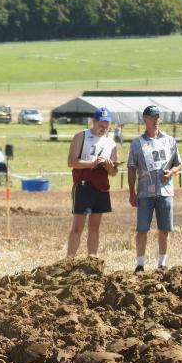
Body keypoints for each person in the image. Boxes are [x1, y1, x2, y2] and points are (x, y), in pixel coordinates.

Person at [128, 105, 181, 273]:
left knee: (164, 229)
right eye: (152, 117)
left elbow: (178, 163)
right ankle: (140, 264)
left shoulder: (170, 140)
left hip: (165, 191)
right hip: (144, 192)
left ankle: (162, 263)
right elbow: (131, 168)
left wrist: (171, 172)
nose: (156, 120)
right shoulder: (137, 143)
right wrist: (131, 192)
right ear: (145, 119)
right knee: (142, 229)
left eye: (158, 117)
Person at [66, 107, 118, 256]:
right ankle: (69, 260)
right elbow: (71, 162)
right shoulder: (81, 136)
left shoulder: (111, 143)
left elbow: (114, 172)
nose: (103, 129)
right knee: (78, 226)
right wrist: (92, 163)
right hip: (84, 185)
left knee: (95, 227)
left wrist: (109, 167)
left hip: (101, 187)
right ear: (93, 121)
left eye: (106, 126)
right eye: (101, 125)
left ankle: (92, 260)